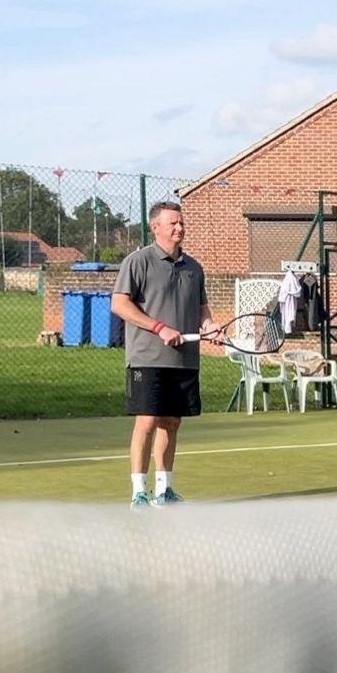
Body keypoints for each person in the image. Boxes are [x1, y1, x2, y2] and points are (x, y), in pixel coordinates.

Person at [111, 201, 219, 507]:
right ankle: (138, 493)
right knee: (147, 421)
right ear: (155, 227)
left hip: (184, 360)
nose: (179, 228)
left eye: (182, 223)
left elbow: (202, 310)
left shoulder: (194, 268)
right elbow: (119, 304)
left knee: (172, 422)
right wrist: (158, 327)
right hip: (147, 357)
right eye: (173, 223)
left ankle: (164, 490)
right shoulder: (138, 261)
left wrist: (210, 326)